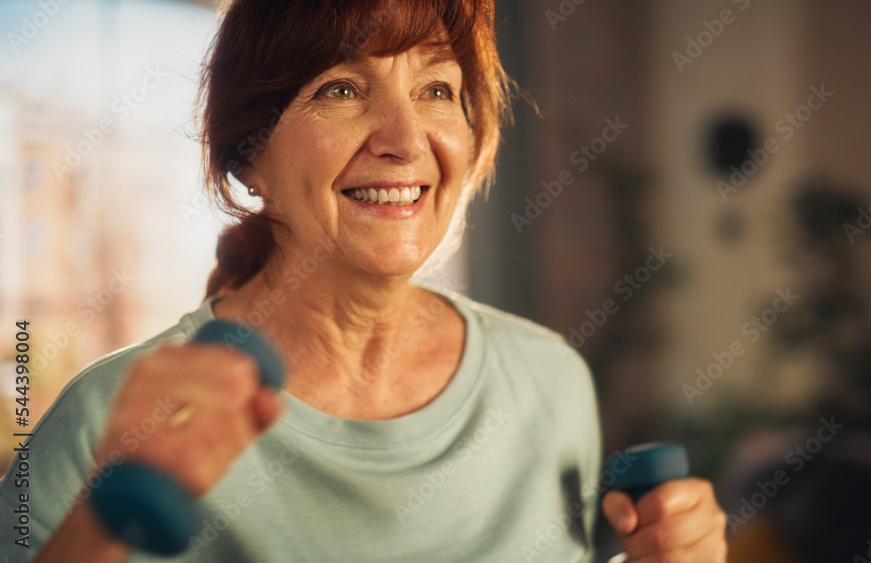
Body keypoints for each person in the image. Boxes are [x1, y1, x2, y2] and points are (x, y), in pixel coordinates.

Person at [0, 1, 727, 561]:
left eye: (438, 89)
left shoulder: (552, 379)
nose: (405, 139)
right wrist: (100, 527)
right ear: (248, 156)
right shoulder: (105, 421)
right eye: (343, 88)